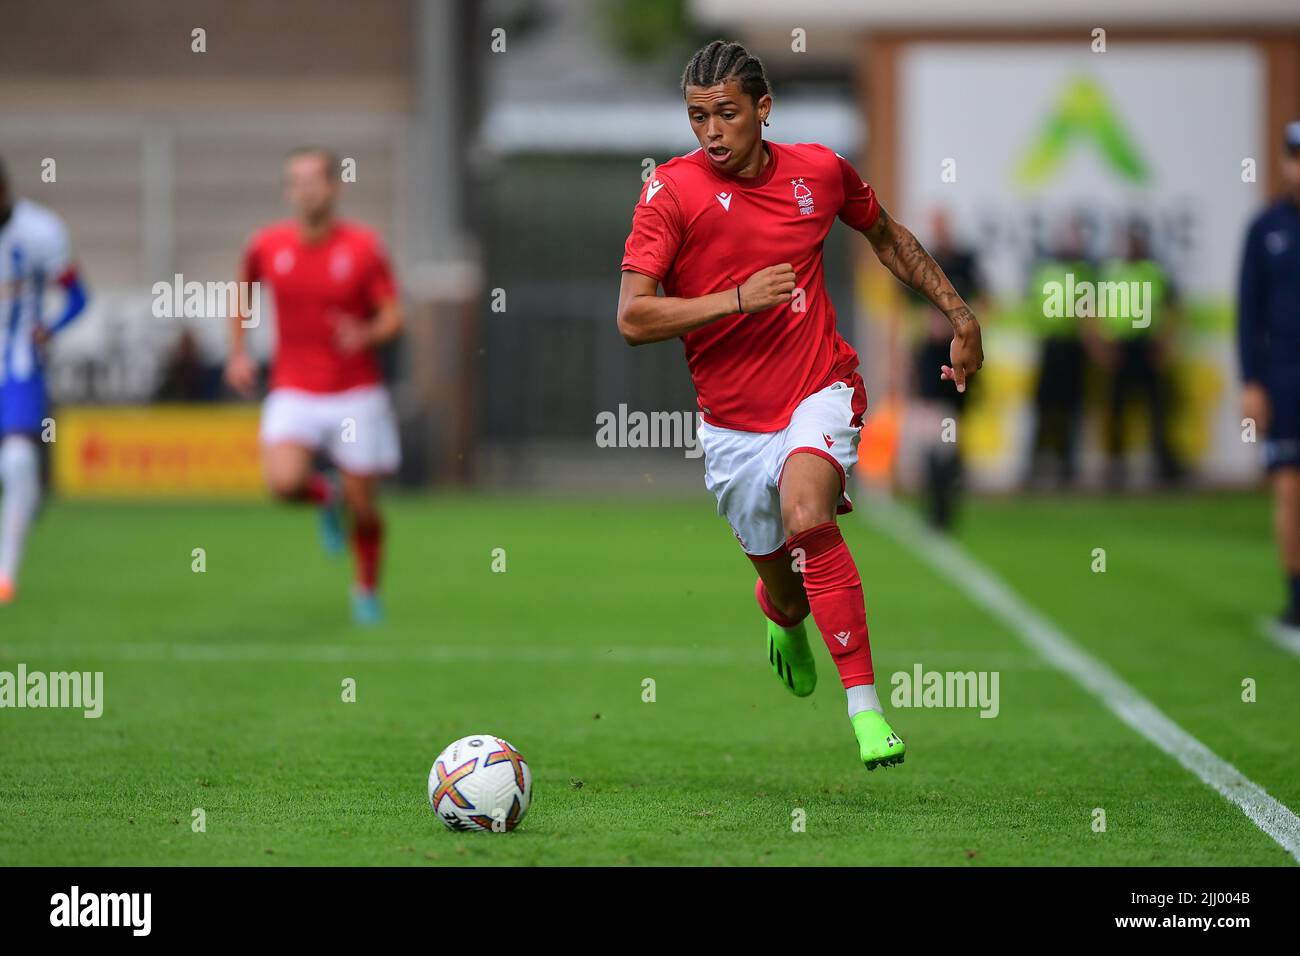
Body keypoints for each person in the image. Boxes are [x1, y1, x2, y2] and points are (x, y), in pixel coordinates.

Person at [617, 41, 983, 771]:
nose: (711, 132)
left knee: (809, 514)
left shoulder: (819, 171)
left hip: (819, 388)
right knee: (789, 597)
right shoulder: (671, 193)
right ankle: (782, 615)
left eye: (726, 113)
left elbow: (886, 237)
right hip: (731, 427)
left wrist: (960, 315)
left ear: (764, 110)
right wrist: (735, 300)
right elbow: (632, 317)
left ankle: (867, 712)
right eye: (697, 117)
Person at [225, 147, 403, 625]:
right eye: (296, 181)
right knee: (283, 484)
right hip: (294, 387)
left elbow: (393, 316)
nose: (305, 189)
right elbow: (241, 291)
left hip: (354, 390)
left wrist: (365, 332)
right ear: (288, 190)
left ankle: (366, 587)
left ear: (334, 185)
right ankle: (326, 494)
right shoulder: (268, 245)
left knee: (365, 506)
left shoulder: (364, 247)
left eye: (313, 180)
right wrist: (238, 354)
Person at [0, 156, 89, 603]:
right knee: (15, 472)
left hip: (18, 368)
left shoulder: (41, 231)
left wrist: (49, 328)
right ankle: (29, 497)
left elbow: (77, 296)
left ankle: (5, 575)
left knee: (15, 461)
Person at [1238, 121, 1300, 629]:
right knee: (1289, 486)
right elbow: (1247, 312)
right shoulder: (1266, 229)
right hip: (1285, 375)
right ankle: (1297, 593)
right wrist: (1252, 382)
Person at [908, 208, 986, 529]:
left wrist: (958, 323)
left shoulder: (964, 263)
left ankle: (946, 497)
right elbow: (905, 312)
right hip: (929, 359)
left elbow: (984, 302)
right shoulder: (920, 263)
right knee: (932, 431)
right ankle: (937, 501)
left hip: (959, 359)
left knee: (951, 430)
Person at [1096, 218, 1183, 488]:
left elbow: (1172, 309)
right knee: (1117, 409)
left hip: (1148, 346)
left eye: (1137, 240)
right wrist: (1102, 347)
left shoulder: (1155, 271)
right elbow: (1092, 310)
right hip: (1120, 348)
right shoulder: (1110, 272)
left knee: (1158, 407)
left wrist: (1166, 343)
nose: (1133, 245)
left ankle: (1163, 462)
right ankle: (1115, 464)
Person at [1025, 212, 1093, 489]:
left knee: (1072, 407)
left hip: (1074, 347)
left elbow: (1090, 312)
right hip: (1051, 346)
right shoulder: (1044, 271)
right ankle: (1036, 461)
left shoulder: (1085, 272)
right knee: (1044, 406)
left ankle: (1068, 464)